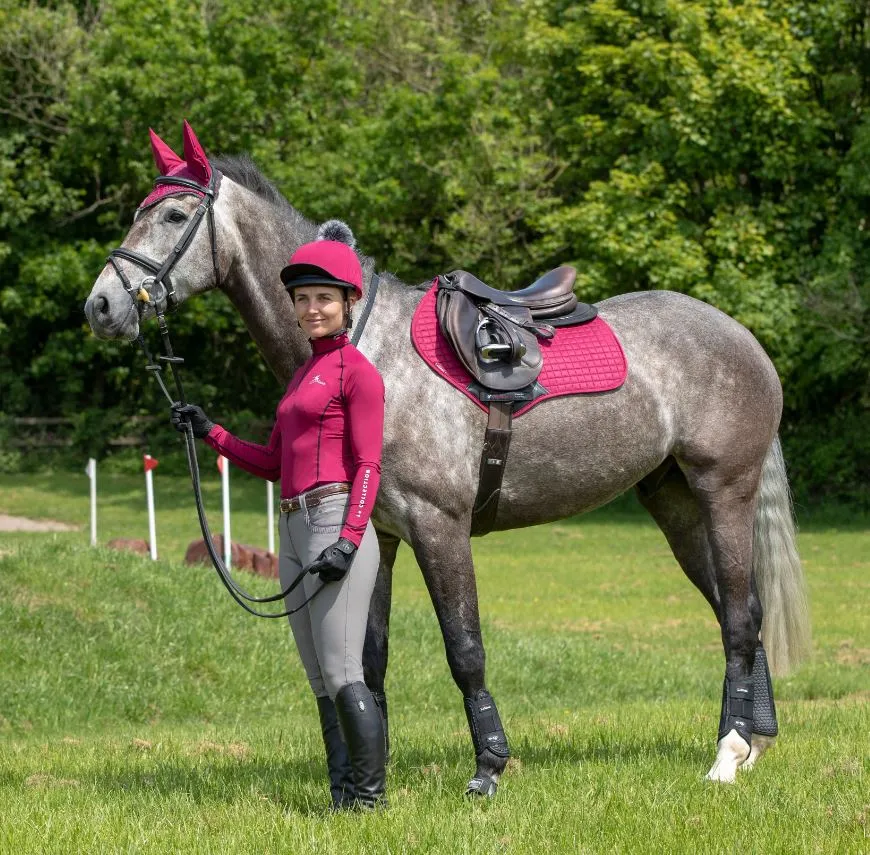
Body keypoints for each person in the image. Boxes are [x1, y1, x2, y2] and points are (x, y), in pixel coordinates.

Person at [170, 220, 387, 810]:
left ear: (348, 302)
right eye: (302, 299)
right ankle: (342, 795)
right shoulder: (301, 377)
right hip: (292, 523)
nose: (312, 308)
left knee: (345, 671)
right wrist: (210, 431)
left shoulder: (357, 373)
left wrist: (348, 536)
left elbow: (369, 464)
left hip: (334, 518)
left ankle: (370, 803)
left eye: (324, 298)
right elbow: (273, 462)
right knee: (320, 678)